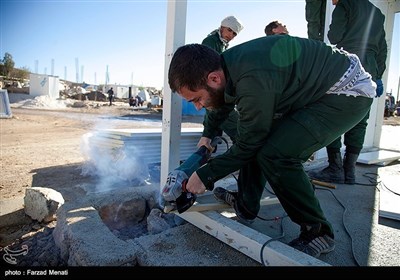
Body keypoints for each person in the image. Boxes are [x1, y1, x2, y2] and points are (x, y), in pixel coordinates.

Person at [168, 36, 376, 258]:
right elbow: (222, 103)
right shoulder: (224, 67)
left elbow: (250, 143)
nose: (199, 107)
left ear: (214, 78)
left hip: (346, 93)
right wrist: (208, 135)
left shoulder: (253, 79)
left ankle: (318, 232)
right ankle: (246, 204)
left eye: (197, 99)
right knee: (256, 141)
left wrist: (205, 175)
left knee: (277, 154)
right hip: (312, 91)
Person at [308, 0, 388, 185]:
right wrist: (377, 75)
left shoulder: (345, 5)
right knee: (360, 119)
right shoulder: (376, 12)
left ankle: (335, 168)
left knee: (333, 115)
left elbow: (335, 36)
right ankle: (349, 171)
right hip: (370, 66)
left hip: (348, 62)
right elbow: (382, 49)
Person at [201, 16, 244, 142]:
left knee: (211, 129)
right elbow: (212, 70)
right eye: (230, 30)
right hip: (215, 93)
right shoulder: (211, 42)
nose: (231, 35)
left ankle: (206, 153)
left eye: (235, 33)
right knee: (239, 132)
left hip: (216, 93)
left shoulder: (221, 44)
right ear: (222, 27)